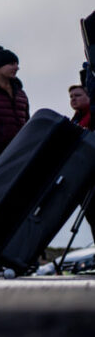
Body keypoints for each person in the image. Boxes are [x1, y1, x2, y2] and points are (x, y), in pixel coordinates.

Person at [67, 85, 95, 243]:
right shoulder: (76, 119)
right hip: (82, 176)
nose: (73, 99)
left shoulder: (90, 117)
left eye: (77, 95)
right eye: (71, 96)